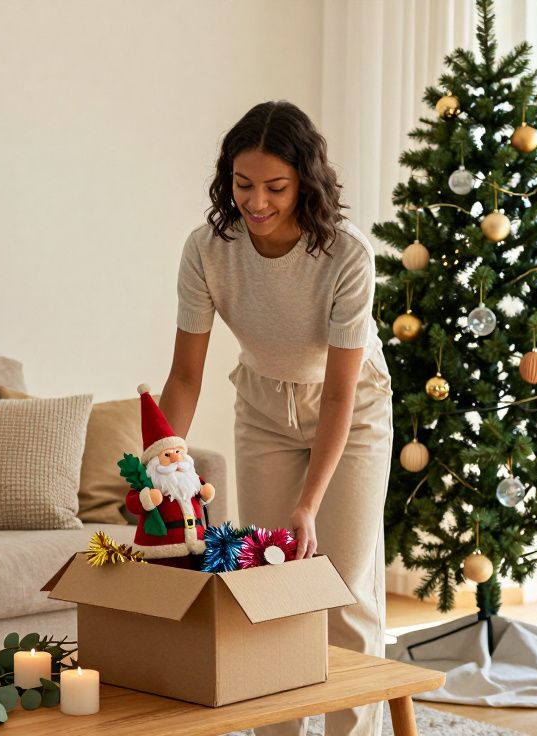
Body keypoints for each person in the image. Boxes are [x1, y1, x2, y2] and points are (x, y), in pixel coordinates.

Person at [156, 100, 393, 736]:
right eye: (243, 185)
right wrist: (161, 458)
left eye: (275, 188)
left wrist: (309, 504)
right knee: (263, 584)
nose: (256, 202)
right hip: (262, 406)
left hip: (351, 412)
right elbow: (185, 376)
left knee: (341, 587)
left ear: (306, 182)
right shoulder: (208, 250)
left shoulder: (347, 256)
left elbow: (340, 397)